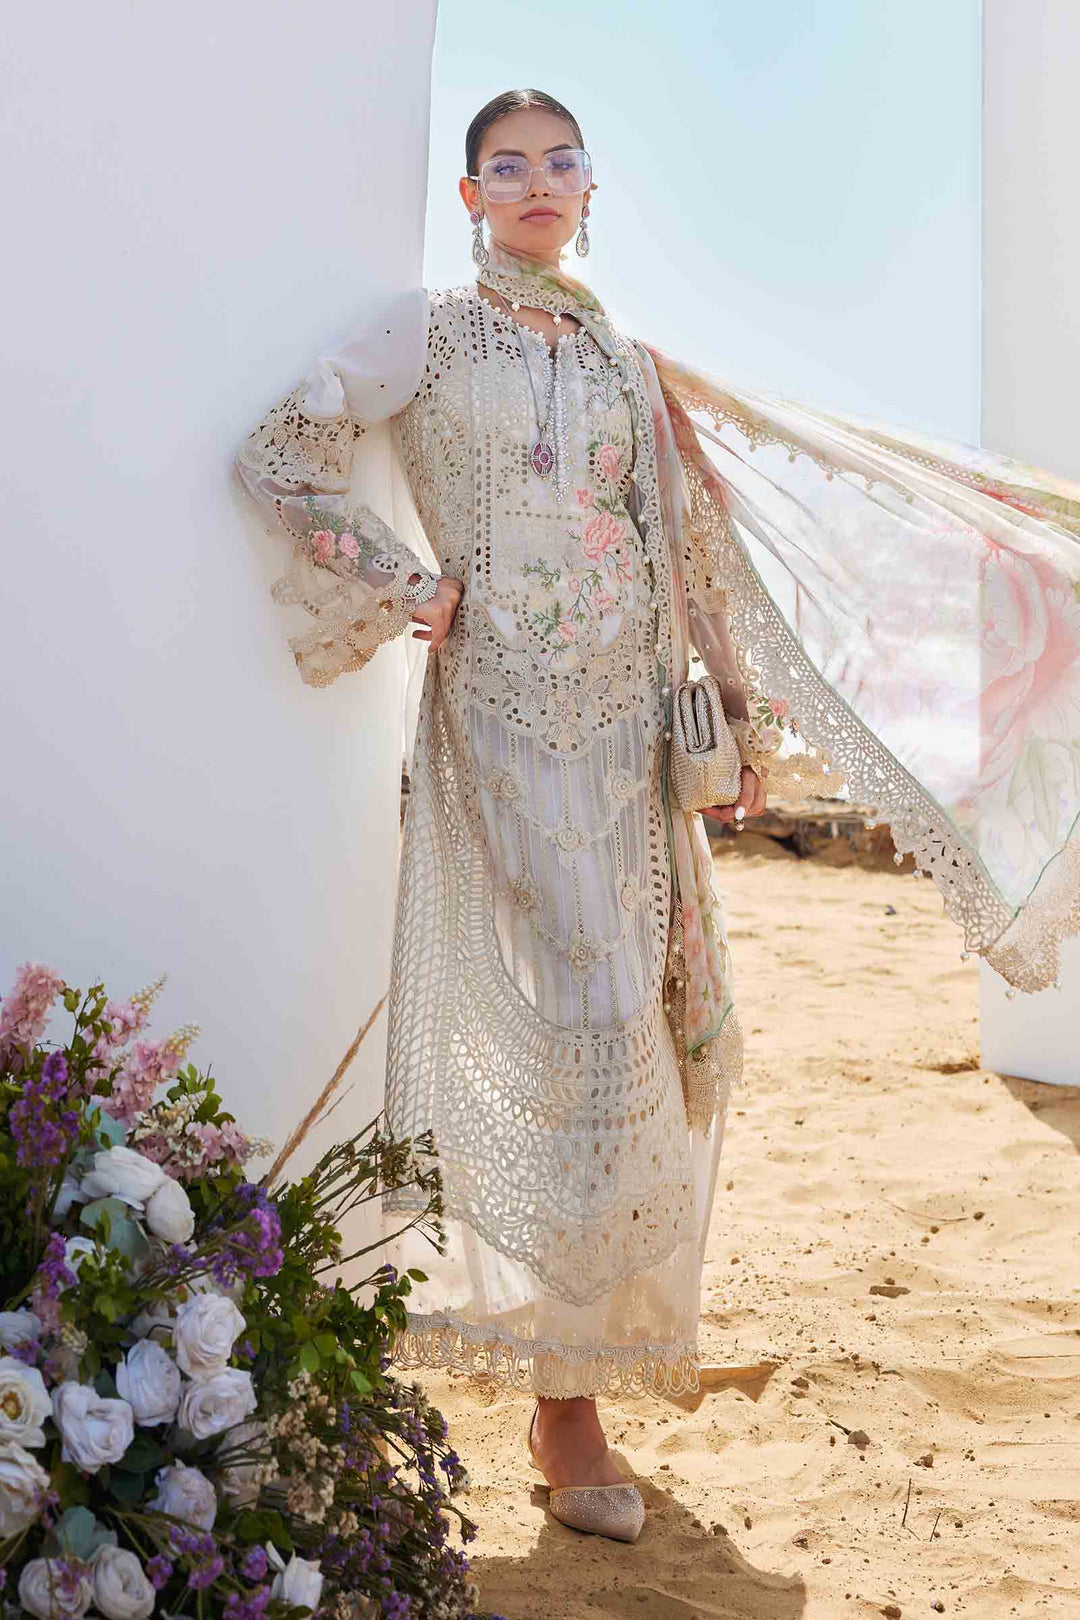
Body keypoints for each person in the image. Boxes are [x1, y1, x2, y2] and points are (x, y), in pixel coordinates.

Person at [235, 88, 1080, 1544]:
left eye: (560, 162)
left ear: (590, 187)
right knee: (589, 1027)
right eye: (508, 167)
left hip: (630, 740)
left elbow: (676, 546)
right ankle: (565, 1401)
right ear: (469, 196)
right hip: (506, 725)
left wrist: (731, 709)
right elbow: (278, 452)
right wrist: (405, 583)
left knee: (639, 1026)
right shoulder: (429, 333)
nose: (537, 184)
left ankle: (576, 1378)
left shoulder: (625, 361)